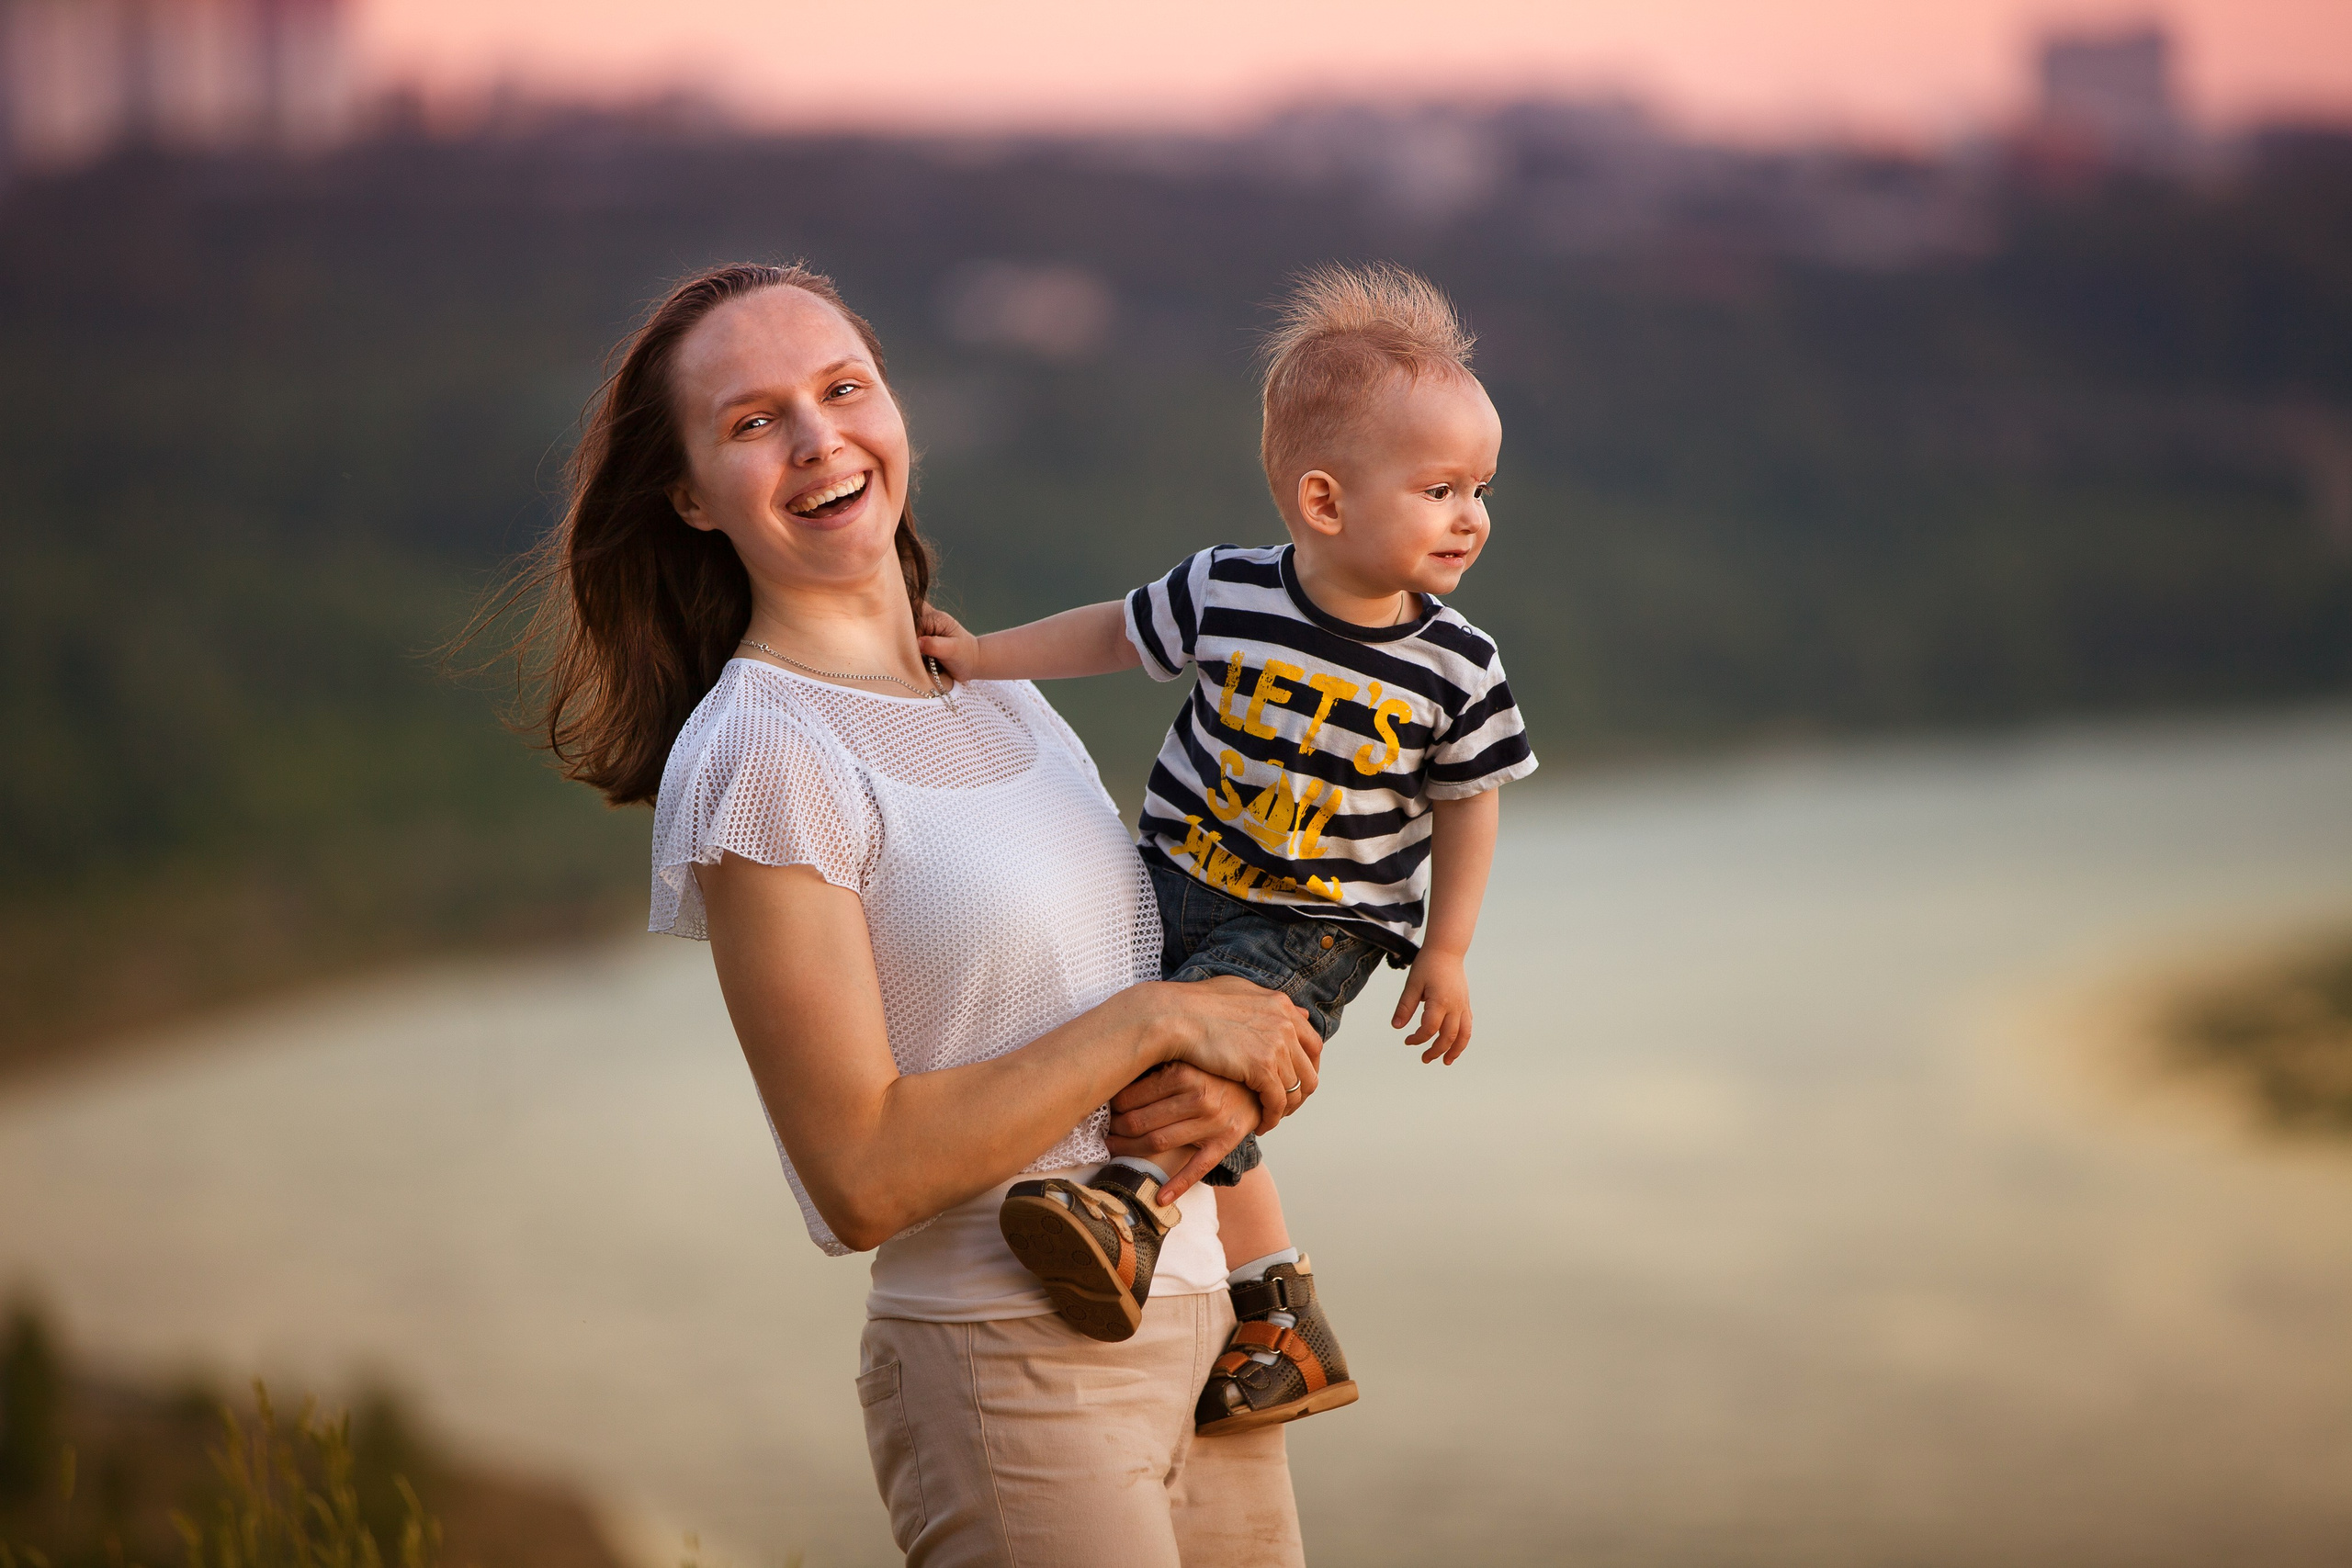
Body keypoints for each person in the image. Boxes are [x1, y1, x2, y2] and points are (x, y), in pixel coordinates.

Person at [495, 259, 1321, 1566]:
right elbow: (861, 1171)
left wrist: (1235, 1100)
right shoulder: (764, 751)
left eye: (843, 389)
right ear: (691, 497)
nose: (819, 438)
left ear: (896, 414)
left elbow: (1127, 998)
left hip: (1210, 1327)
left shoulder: (989, 683)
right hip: (1012, 1362)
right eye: (753, 420)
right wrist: (1156, 1015)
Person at [918, 262, 1536, 1436]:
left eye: (1481, 488)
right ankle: (1283, 1319)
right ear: (1323, 502)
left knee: (1196, 1082)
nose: (1473, 516)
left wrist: (1444, 954)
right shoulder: (1227, 593)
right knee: (1117, 1037)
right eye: (1441, 488)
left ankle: (1126, 1211)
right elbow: (1112, 630)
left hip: (1319, 920)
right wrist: (982, 656)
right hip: (1174, 876)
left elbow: (1472, 804)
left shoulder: (1461, 666)